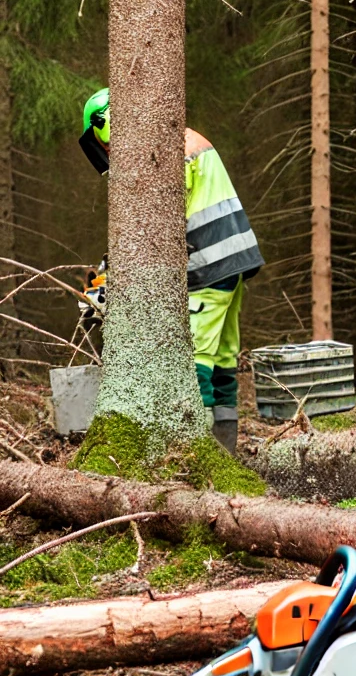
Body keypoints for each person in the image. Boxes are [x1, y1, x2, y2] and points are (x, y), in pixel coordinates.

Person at [79, 88, 264, 453]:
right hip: (233, 259)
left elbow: (155, 227)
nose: (109, 154)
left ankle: (199, 454)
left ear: (106, 125)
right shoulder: (180, 137)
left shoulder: (161, 151)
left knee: (194, 360)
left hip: (209, 265)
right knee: (224, 358)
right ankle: (224, 450)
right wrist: (107, 270)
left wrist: (114, 283)